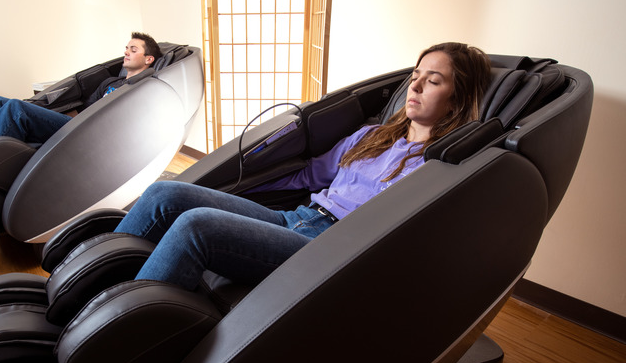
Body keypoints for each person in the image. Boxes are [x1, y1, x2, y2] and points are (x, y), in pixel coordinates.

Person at [114, 42, 492, 291]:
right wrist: (229, 191)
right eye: (415, 77)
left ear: (457, 98)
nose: (417, 86)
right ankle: (98, 285)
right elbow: (310, 174)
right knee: (167, 193)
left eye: (434, 80)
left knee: (196, 227)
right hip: (296, 219)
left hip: (328, 249)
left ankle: (116, 333)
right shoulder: (372, 135)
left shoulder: (439, 166)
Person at [0, 32, 162, 175]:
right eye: (126, 48)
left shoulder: (139, 90)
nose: (126, 52)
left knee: (15, 109)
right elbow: (81, 110)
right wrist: (43, 114)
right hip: (76, 126)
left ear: (148, 59)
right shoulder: (110, 82)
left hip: (90, 135)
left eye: (133, 50)